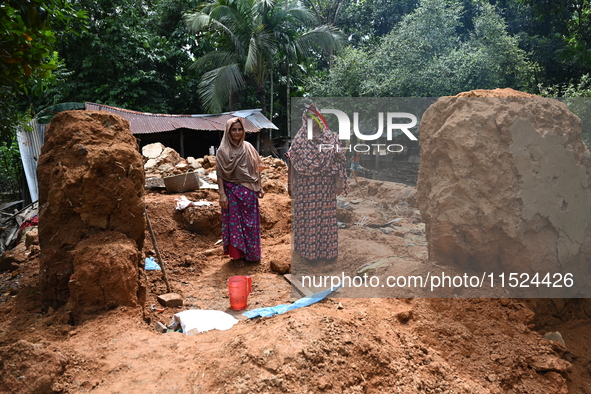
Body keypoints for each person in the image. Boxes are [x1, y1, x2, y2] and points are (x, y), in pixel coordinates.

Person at [286, 104, 348, 262]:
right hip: (305, 186)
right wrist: (290, 184)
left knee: (325, 218)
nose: (310, 121)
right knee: (307, 219)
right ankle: (309, 254)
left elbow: (339, 160)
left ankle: (328, 253)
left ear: (320, 119)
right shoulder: (300, 138)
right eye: (307, 117)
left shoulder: (331, 138)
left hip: (325, 186)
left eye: (313, 117)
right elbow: (292, 161)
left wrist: (339, 181)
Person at [216, 117, 265, 267]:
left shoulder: (249, 147)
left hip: (249, 193)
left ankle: (252, 255)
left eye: (240, 129)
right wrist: (222, 194)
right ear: (228, 131)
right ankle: (237, 257)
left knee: (251, 225)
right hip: (231, 194)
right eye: (234, 129)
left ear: (243, 131)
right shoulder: (223, 151)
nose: (237, 132)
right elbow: (220, 174)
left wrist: (260, 186)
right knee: (235, 226)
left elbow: (256, 168)